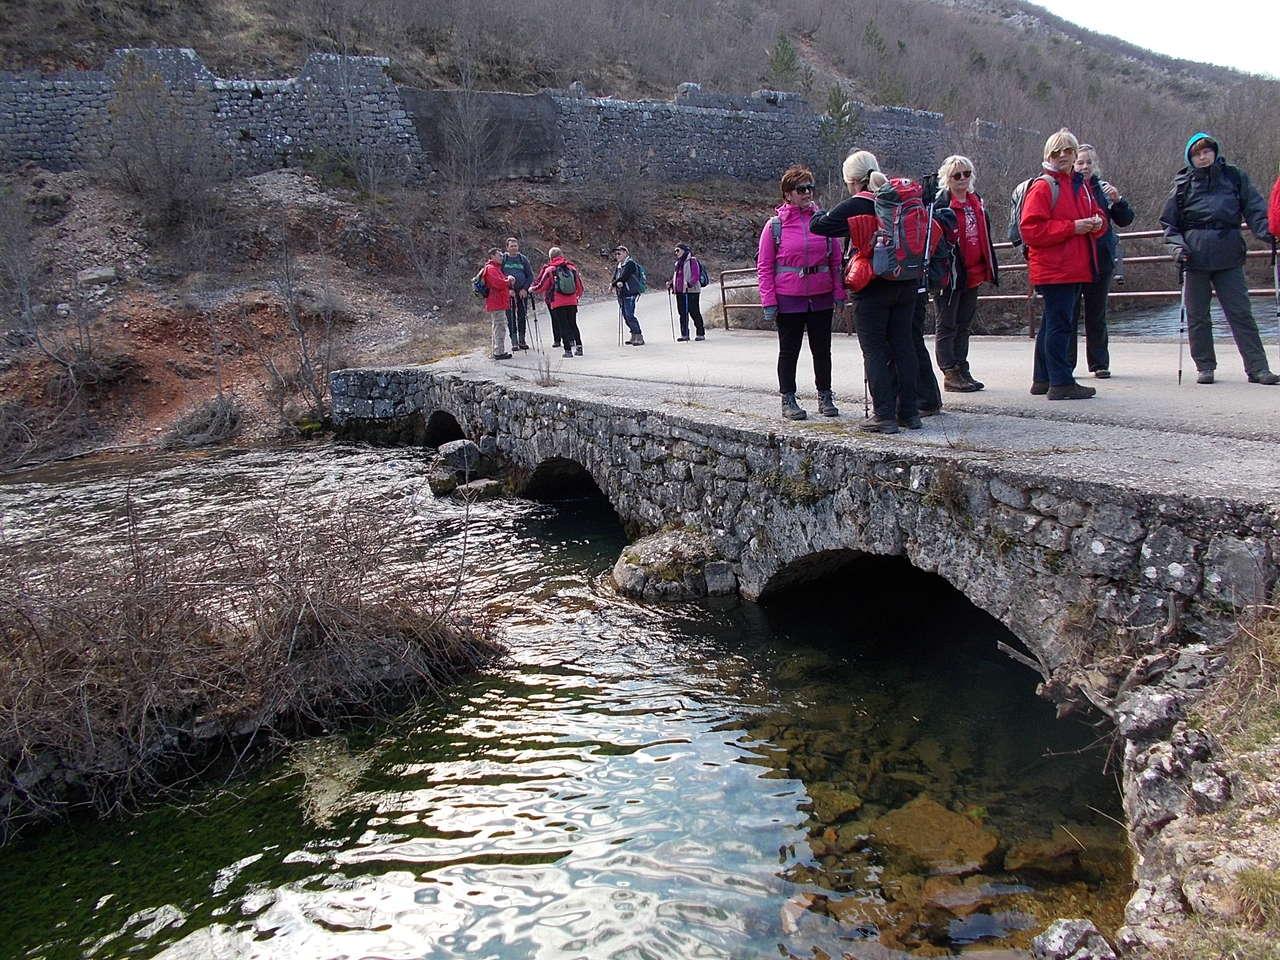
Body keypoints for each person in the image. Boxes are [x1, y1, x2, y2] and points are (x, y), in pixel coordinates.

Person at [810, 150, 923, 432]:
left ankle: (883, 415)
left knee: (874, 351)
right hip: (906, 280)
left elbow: (818, 226)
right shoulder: (899, 198)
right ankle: (910, 413)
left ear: (852, 180)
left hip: (872, 286)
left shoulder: (857, 203)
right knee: (904, 346)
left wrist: (819, 210)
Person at [1160, 132, 1278, 385]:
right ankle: (1205, 367)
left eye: (1206, 152)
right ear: (1190, 158)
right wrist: (1178, 249)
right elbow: (1169, 225)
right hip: (1194, 258)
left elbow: (1255, 210)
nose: (1203, 157)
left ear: (1215, 152)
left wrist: (1270, 234)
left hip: (1229, 255)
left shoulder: (1234, 177)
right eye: (1197, 154)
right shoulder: (1182, 186)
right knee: (1198, 316)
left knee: (1241, 313)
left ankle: (1258, 368)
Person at [1020, 129, 1108, 400]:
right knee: (1060, 325)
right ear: (1048, 155)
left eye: (1068, 151)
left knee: (1052, 323)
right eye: (1056, 152)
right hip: (1056, 267)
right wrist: (1073, 227)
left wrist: (1097, 223)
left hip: (1072, 265)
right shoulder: (1045, 186)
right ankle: (1060, 382)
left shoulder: (1079, 186)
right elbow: (1030, 230)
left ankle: (1043, 379)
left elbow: (1096, 216)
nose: (1063, 156)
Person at [757, 164, 845, 420]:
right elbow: (764, 266)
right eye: (801, 189)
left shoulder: (823, 222)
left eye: (810, 188)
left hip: (820, 296)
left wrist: (839, 293)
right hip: (789, 298)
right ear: (788, 194)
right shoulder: (774, 226)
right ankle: (788, 398)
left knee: (822, 349)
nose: (807, 193)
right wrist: (769, 301)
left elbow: (836, 261)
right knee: (789, 350)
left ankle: (825, 395)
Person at [932, 155, 999, 392]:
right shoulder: (941, 204)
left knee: (964, 324)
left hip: (973, 272)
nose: (962, 179)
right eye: (956, 175)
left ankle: (961, 367)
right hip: (950, 274)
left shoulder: (976, 201)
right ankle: (950, 371)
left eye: (966, 174)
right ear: (947, 178)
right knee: (947, 323)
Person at [1069, 145, 1133, 378]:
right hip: (1076, 260)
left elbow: (1125, 220)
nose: (1085, 167)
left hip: (1102, 259)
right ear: (1073, 165)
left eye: (1088, 162)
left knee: (1097, 314)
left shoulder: (1103, 189)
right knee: (1070, 314)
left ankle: (1099, 364)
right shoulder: (1068, 189)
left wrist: (1118, 201)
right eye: (1080, 162)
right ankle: (1067, 365)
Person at [532, 246, 585, 359]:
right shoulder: (571, 268)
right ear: (562, 255)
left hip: (557, 302)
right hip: (572, 301)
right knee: (573, 324)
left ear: (550, 257)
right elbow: (579, 286)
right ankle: (579, 347)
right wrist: (577, 296)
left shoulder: (550, 270)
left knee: (563, 325)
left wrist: (532, 289)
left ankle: (568, 351)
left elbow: (542, 286)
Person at [477, 247, 514, 360]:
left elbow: (500, 281)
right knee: (500, 326)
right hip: (496, 302)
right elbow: (498, 283)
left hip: (498, 302)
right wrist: (508, 281)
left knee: (497, 326)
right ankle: (498, 352)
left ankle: (497, 350)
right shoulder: (491, 269)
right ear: (492, 256)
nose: (502, 257)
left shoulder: (495, 268)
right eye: (499, 255)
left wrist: (507, 280)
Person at [667, 242, 707, 341]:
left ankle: (700, 333)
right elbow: (677, 277)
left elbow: (696, 275)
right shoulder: (678, 263)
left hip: (692, 291)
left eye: (678, 250)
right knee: (682, 313)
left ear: (684, 250)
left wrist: (689, 284)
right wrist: (671, 284)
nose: (676, 253)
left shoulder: (692, 260)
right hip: (680, 291)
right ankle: (684, 334)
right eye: (675, 251)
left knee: (694, 311)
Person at [501, 237, 534, 351]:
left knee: (522, 315)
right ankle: (514, 341)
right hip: (509, 292)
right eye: (512, 246)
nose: (514, 248)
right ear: (507, 247)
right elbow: (499, 275)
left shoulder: (523, 259)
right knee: (510, 316)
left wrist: (525, 289)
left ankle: (522, 340)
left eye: (515, 246)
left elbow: (530, 276)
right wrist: (507, 289)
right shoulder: (503, 259)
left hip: (521, 292)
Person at [611, 245, 645, 346]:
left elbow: (624, 276)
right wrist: (614, 283)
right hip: (622, 293)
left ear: (625, 253)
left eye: (619, 253)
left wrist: (613, 284)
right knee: (625, 315)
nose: (617, 256)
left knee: (629, 314)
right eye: (616, 254)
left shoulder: (630, 264)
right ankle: (633, 335)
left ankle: (639, 336)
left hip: (630, 292)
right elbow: (616, 277)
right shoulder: (619, 266)